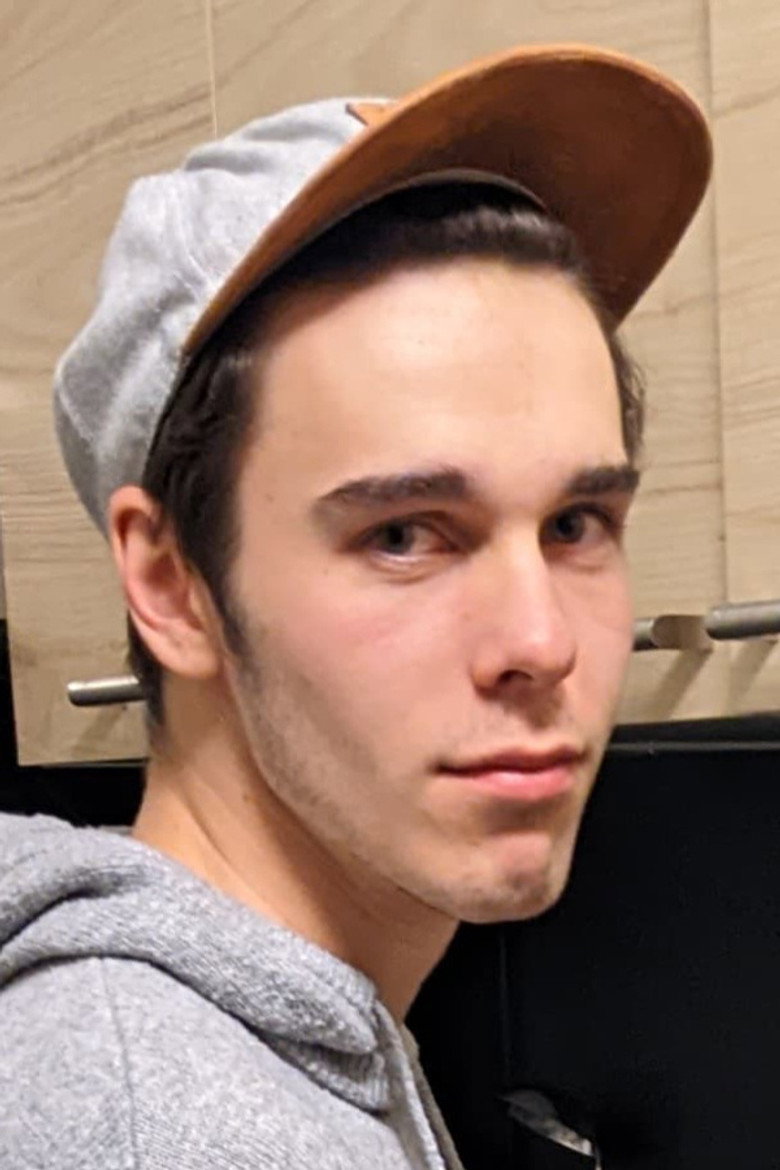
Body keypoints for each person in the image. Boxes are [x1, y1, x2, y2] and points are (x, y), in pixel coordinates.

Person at [0, 44, 710, 1170]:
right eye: (405, 535)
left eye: (575, 523)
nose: (542, 643)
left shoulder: (243, 1044)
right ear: (172, 584)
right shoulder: (168, 1129)